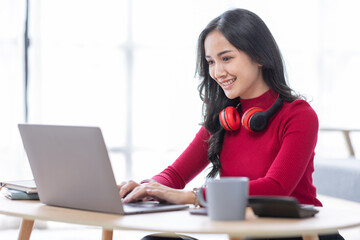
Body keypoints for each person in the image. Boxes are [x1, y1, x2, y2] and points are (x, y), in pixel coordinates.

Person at [119, 8, 344, 240]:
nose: (217, 72)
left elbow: (276, 188)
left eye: (226, 58)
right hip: (249, 235)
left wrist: (192, 196)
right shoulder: (224, 119)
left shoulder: (298, 115)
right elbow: (176, 174)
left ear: (259, 56)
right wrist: (146, 188)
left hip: (300, 234)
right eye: (211, 62)